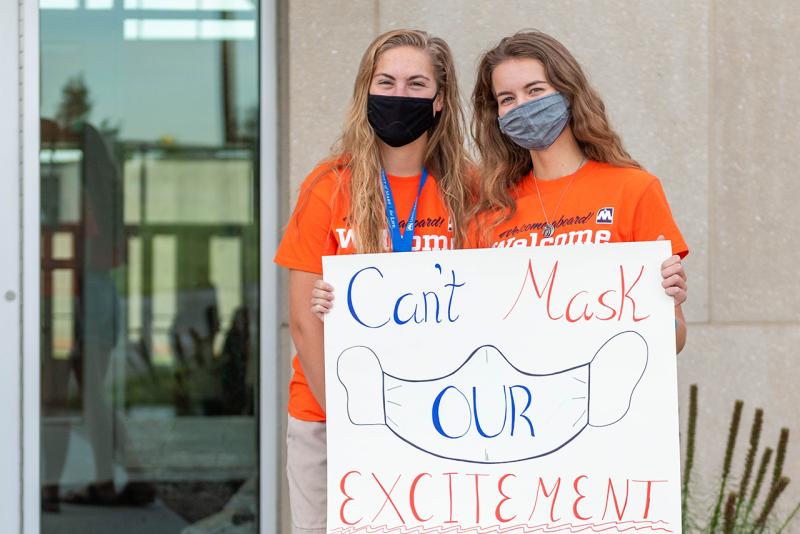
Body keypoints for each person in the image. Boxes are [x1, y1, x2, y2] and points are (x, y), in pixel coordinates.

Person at [311, 29, 688, 352]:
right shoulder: (490, 208)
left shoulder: (634, 189)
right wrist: (340, 304)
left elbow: (674, 337)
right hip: (520, 420)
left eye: (535, 90)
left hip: (606, 419)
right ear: (497, 115)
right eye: (508, 99)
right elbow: (459, 324)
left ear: (569, 93)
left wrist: (663, 307)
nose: (522, 106)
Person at [274, 29, 472, 534]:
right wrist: (355, 422)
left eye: (415, 84)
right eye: (385, 82)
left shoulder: (469, 188)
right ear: (366, 91)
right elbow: (302, 321)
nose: (398, 96)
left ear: (440, 100)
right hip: (328, 421)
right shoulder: (329, 184)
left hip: (440, 423)